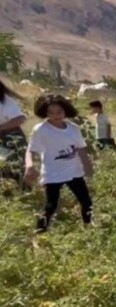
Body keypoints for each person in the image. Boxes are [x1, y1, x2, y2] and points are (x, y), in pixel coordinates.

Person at [24, 94, 94, 233]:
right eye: (51, 113)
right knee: (51, 205)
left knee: (86, 202)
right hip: (53, 173)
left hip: (74, 172)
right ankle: (39, 231)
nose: (55, 115)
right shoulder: (41, 130)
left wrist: (88, 166)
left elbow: (80, 149)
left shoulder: (73, 128)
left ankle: (88, 227)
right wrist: (29, 166)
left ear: (66, 111)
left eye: (59, 112)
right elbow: (30, 151)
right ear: (45, 112)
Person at [0, 79, 28, 186]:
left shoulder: (4, 100)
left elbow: (19, 119)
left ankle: (25, 196)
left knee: (16, 169)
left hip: (10, 137)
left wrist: (1, 128)